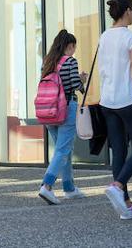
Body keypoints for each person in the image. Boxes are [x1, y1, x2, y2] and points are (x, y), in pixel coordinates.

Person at [98, 0, 132, 220]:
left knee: (118, 151)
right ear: (127, 10)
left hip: (107, 102)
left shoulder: (104, 36)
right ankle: (118, 185)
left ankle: (126, 206)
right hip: (128, 100)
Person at [37, 30, 88, 204]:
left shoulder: (48, 62)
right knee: (62, 150)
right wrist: (82, 80)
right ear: (69, 46)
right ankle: (47, 186)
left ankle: (69, 188)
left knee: (65, 150)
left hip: (48, 111)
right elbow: (74, 84)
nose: (74, 50)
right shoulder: (70, 61)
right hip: (65, 108)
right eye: (74, 46)